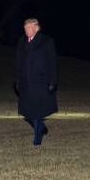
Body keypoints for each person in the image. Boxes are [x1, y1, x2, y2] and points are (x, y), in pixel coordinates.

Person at [14, 18, 58, 146]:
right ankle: (42, 128)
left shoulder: (46, 41)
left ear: (36, 28)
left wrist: (53, 80)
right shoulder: (21, 41)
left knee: (37, 111)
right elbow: (18, 61)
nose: (26, 30)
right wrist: (17, 79)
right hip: (25, 82)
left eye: (29, 27)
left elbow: (52, 62)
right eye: (25, 28)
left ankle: (37, 138)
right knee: (26, 113)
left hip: (41, 81)